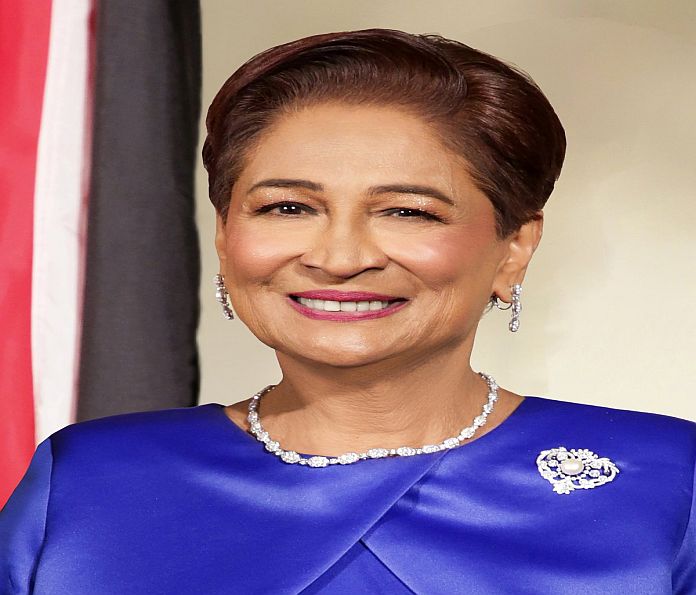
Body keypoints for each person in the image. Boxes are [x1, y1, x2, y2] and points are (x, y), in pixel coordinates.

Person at [1, 28, 694, 594]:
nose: (338, 257)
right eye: (287, 207)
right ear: (224, 235)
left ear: (514, 248)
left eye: (406, 211)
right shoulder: (86, 482)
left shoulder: (667, 483)